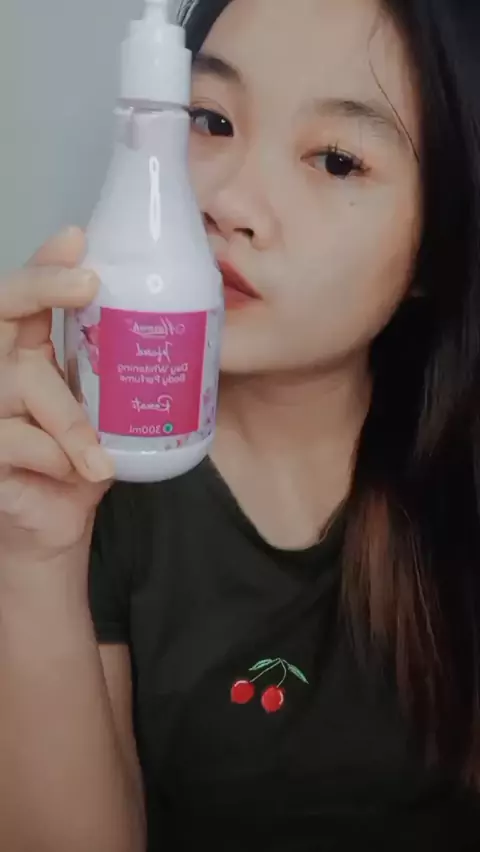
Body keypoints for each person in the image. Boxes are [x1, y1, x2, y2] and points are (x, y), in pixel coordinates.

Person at [1, 0, 480, 848]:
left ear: (435, 247)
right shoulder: (85, 474)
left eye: (336, 160)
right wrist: (31, 557)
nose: (226, 202)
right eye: (209, 120)